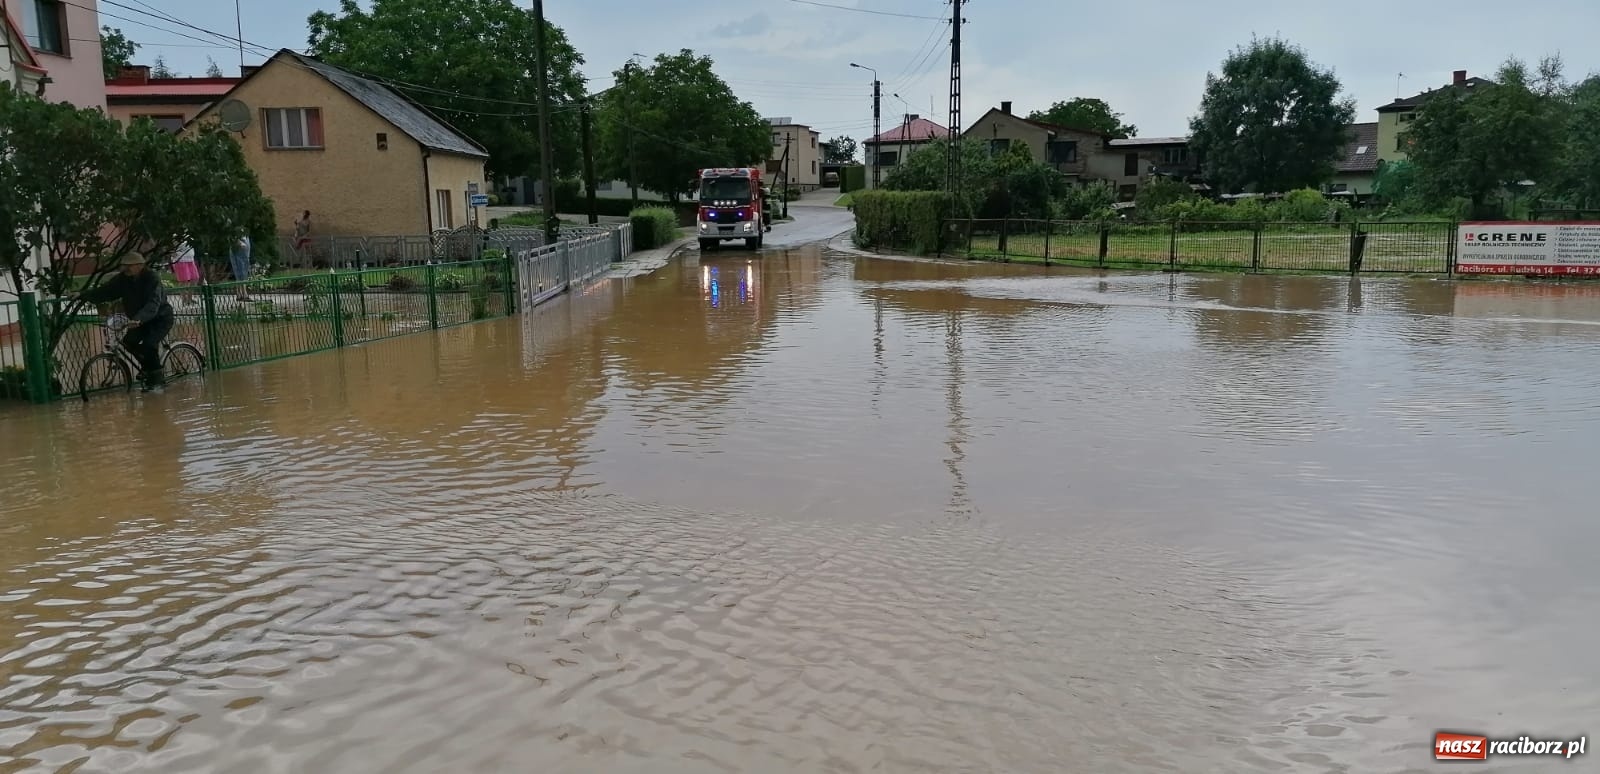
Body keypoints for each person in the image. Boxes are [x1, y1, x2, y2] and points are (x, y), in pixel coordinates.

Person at [75, 253, 175, 391]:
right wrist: (82, 295)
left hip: (160, 319)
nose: (125, 269)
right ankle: (147, 368)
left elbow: (153, 303)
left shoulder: (152, 279)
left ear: (140, 266)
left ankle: (157, 381)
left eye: (129, 266)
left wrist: (139, 319)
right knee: (129, 342)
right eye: (124, 266)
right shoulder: (123, 279)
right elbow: (106, 291)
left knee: (149, 344)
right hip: (138, 320)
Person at [171, 241, 199, 306]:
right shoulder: (176, 234)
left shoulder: (189, 234)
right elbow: (172, 245)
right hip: (180, 259)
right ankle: (184, 299)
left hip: (190, 259)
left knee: (195, 278)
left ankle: (190, 298)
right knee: (184, 281)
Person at [229, 233, 253, 302]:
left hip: (244, 254)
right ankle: (243, 294)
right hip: (238, 252)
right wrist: (239, 243)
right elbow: (232, 236)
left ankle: (241, 294)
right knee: (240, 274)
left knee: (243, 274)